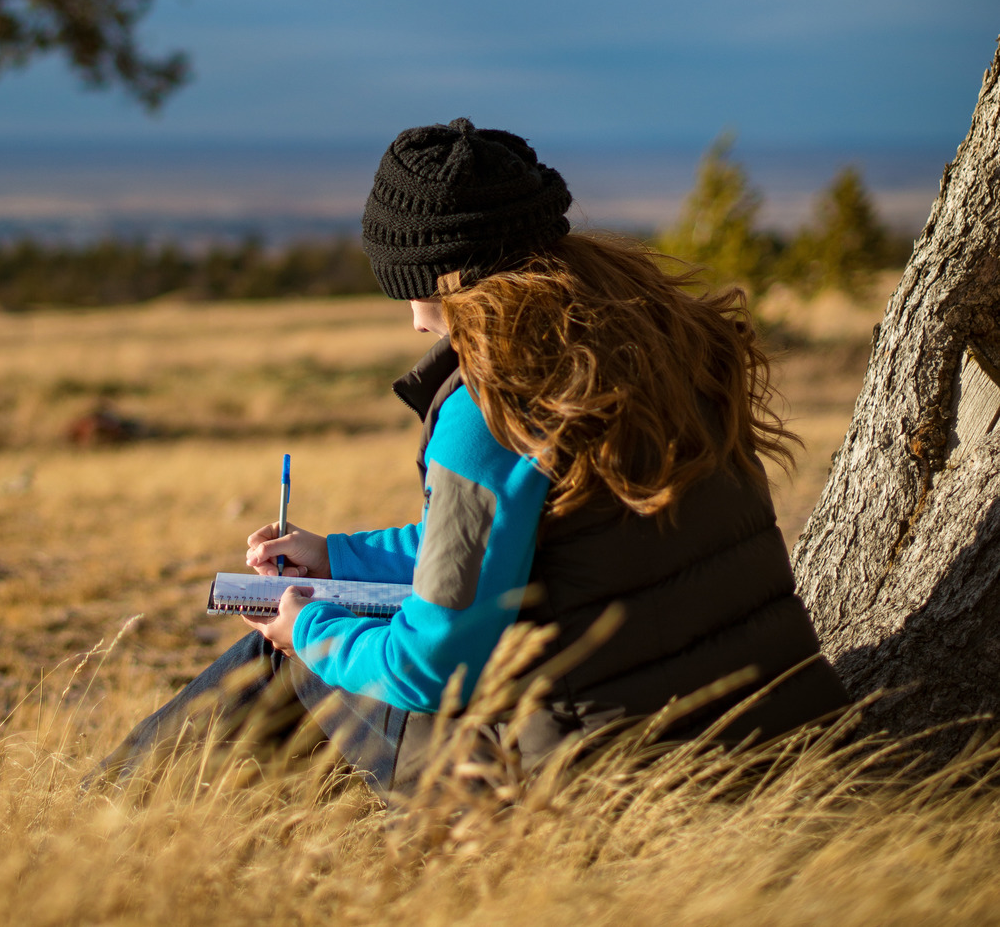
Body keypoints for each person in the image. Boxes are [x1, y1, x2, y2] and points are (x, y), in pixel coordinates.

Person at [94, 118, 850, 795]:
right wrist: (338, 557)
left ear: (436, 269)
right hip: (779, 734)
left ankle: (96, 825)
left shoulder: (495, 399)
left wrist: (308, 633)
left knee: (287, 660)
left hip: (600, 779)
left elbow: (432, 664)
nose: (413, 318)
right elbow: (543, 547)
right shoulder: (659, 342)